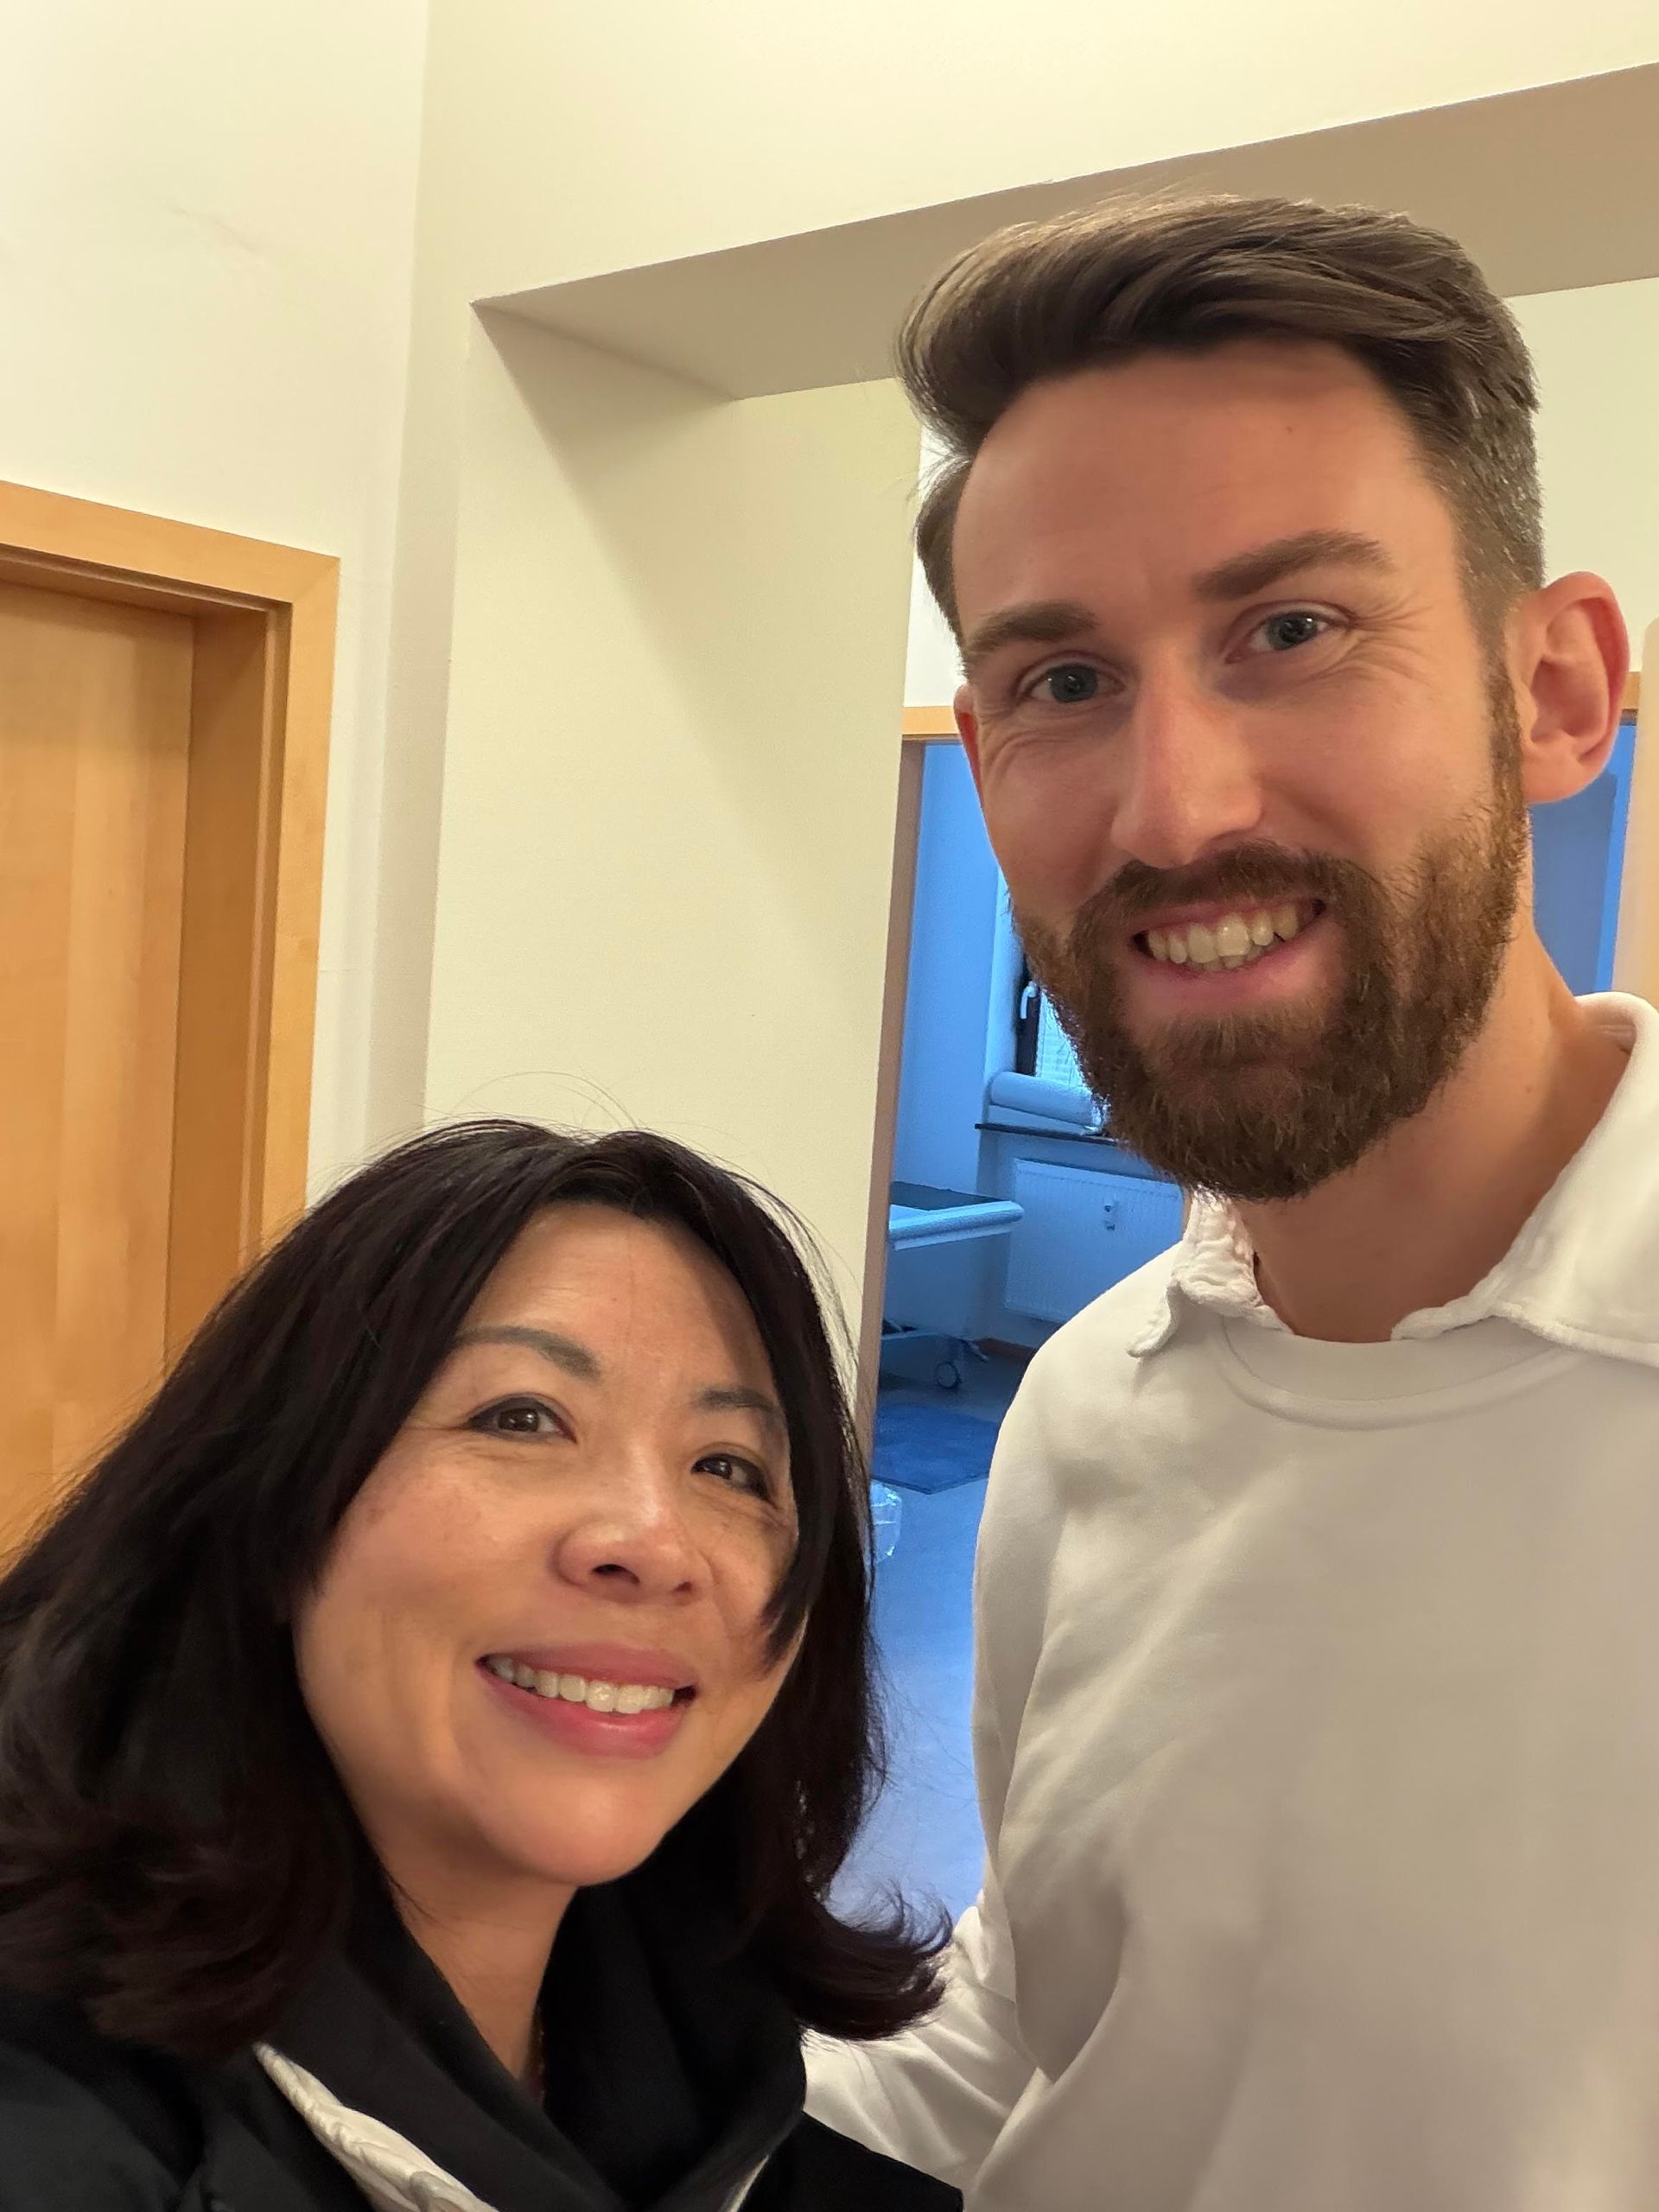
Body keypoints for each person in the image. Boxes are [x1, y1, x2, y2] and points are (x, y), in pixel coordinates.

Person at [806, 194, 1658, 2207]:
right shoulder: (1096, 1405)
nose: (1172, 808)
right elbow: (1057, 2026)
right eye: (1061, 680)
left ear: (1553, 692)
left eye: (1289, 629)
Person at [0, 1122, 961, 2211]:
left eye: (728, 1466)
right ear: (275, 1520)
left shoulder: (726, 2085)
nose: (652, 1541)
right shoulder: (57, 2136)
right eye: (522, 1417)